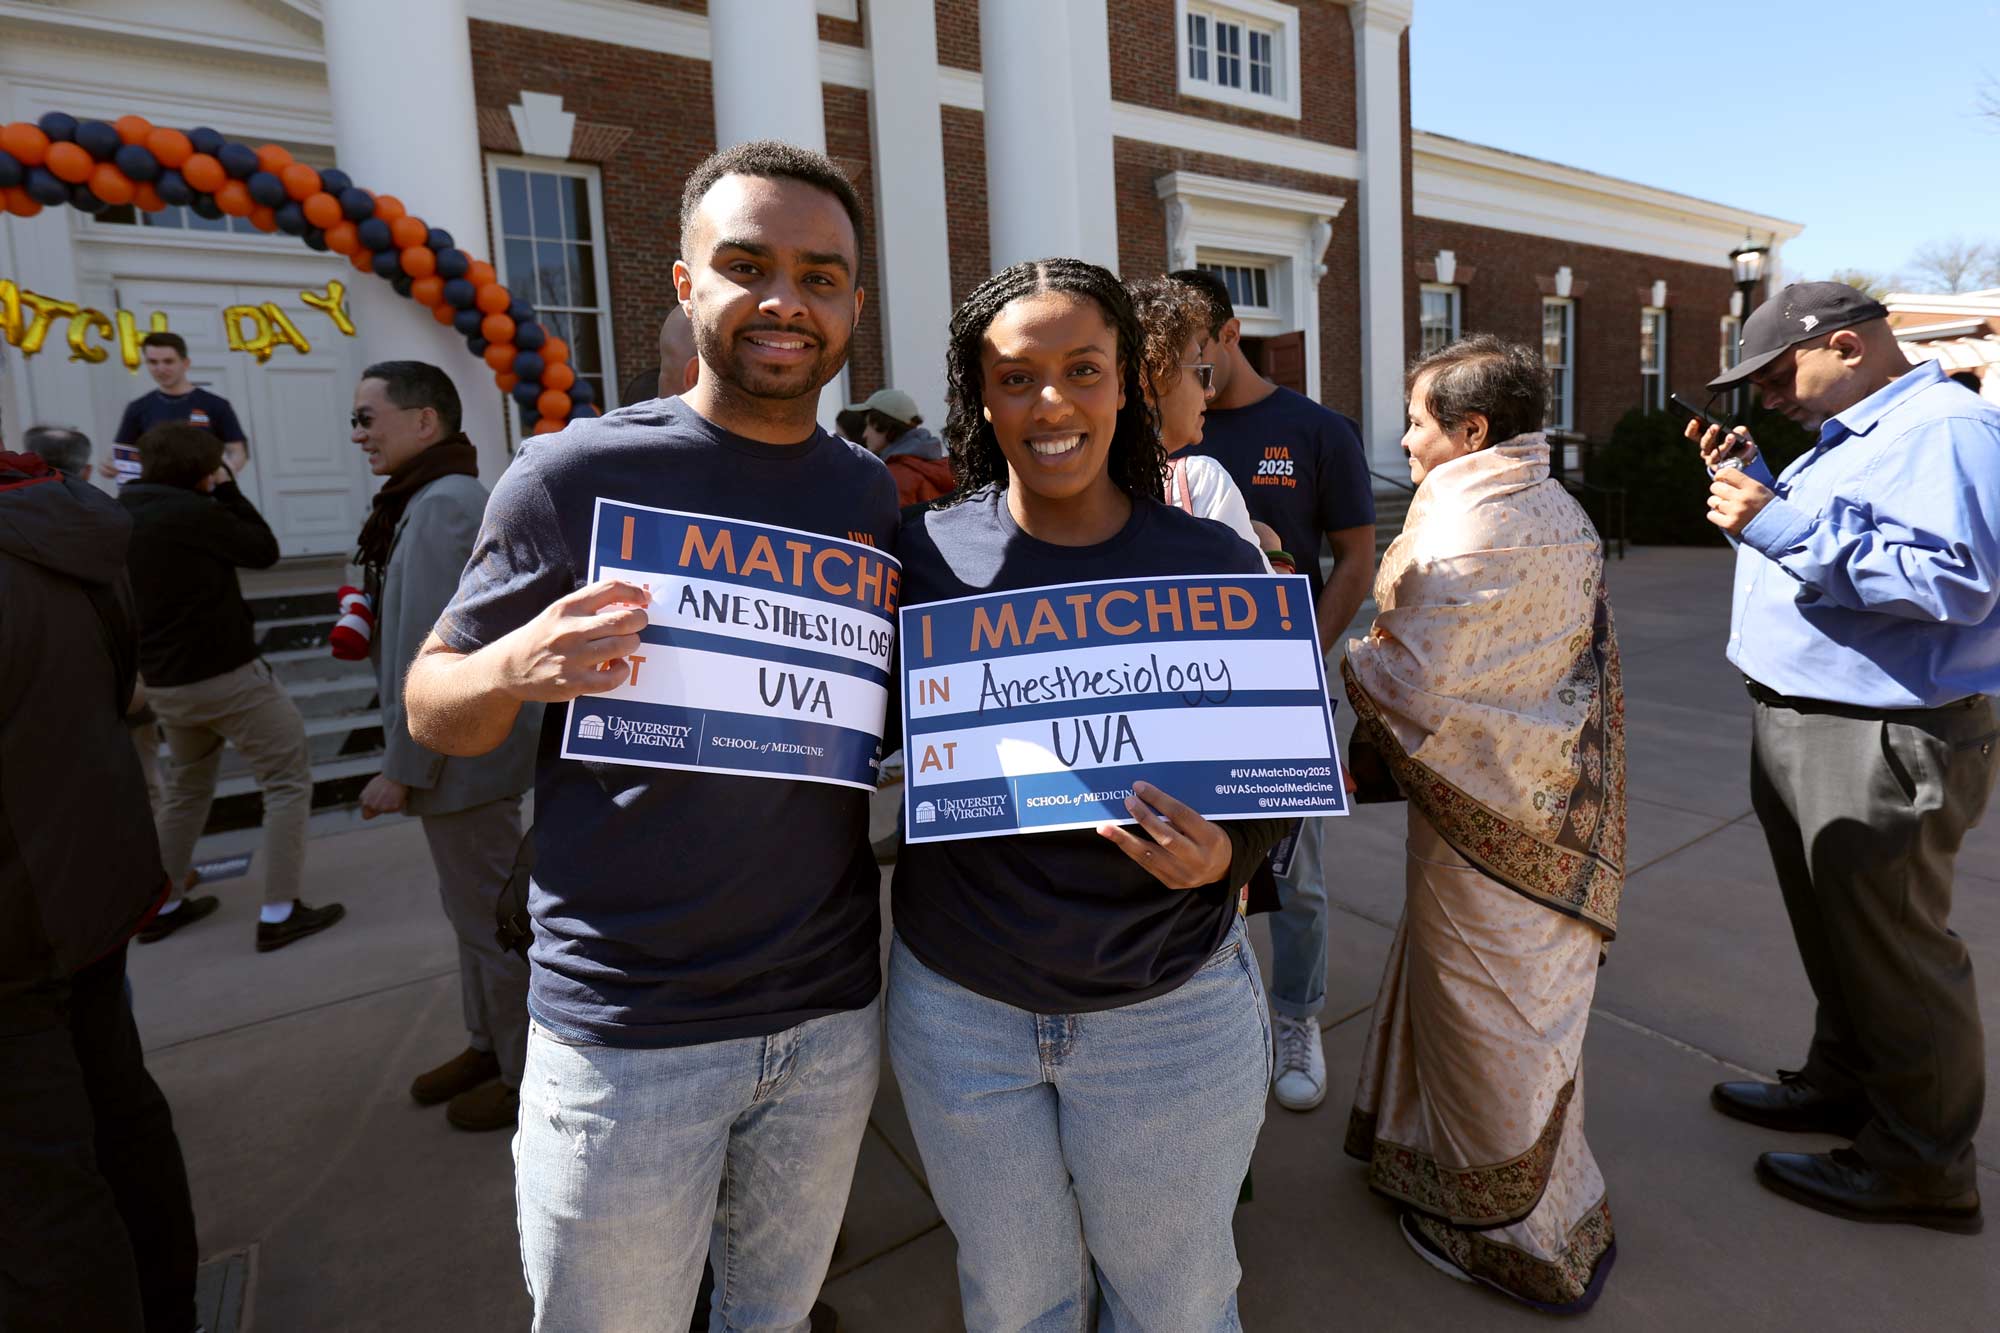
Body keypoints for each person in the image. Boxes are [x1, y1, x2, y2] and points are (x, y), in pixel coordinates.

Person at [402, 140, 887, 1331]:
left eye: (820, 277)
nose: (785, 300)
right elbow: (429, 701)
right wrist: (515, 667)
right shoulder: (573, 472)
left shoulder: (873, 500)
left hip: (825, 1018)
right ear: (685, 286)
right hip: (625, 1031)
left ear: (853, 308)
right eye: (746, 265)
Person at [886, 258, 1290, 1330]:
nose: (1050, 402)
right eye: (1015, 377)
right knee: (1016, 1302)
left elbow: (1274, 774)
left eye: (1081, 370)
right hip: (963, 1009)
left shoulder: (1209, 557)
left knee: (1176, 1304)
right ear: (980, 396)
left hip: (1168, 1007)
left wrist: (1227, 857)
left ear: (1126, 387)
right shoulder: (917, 560)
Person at [1693, 282, 2000, 1234]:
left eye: (1779, 371)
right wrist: (1766, 487)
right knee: (1843, 940)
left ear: (1852, 347)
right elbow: (1855, 543)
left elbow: (1965, 580)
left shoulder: (1947, 428)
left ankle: (1923, 1166)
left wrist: (1776, 523)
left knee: (1898, 953)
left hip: (1879, 734)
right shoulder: (1859, 437)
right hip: (1810, 718)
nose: (1769, 394)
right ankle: (1847, 1086)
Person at [1341, 335, 1623, 1311]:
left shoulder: (1463, 521)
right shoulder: (1557, 507)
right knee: (1523, 1013)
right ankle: (1443, 1166)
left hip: (1482, 827)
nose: (1404, 438)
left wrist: (1345, 660)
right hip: (1550, 812)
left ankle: (1507, 1228)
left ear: (1469, 431)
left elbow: (1413, 679)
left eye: (1418, 421)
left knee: (1483, 1016)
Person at [0, 447, 201, 1332]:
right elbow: (117, 689)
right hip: (90, 881)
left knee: (40, 1185)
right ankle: (170, 1305)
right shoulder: (66, 531)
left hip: (21, 914)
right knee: (119, 1119)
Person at [1169, 267, 1377, 1114]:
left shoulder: (1316, 429)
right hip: (1180, 695)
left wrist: (1294, 662)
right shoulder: (1149, 434)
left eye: (1186, 353)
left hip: (1282, 687)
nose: (1179, 375)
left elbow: (1355, 560)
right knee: (1194, 861)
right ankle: (1215, 1014)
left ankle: (1298, 1016)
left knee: (1300, 871)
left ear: (1225, 335)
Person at [348, 361, 540, 1133]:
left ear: (424, 421)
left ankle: (524, 1074)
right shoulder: (422, 499)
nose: (358, 433)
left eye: (368, 416)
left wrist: (403, 764)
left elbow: (435, 653)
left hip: (462, 758)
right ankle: (486, 1044)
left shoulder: (442, 505)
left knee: (494, 925)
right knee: (471, 918)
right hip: (453, 758)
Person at [120, 424, 344, 951]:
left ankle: (163, 904)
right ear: (202, 470)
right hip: (227, 679)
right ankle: (280, 911)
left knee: (187, 791)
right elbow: (263, 550)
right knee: (287, 781)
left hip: (165, 683)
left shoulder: (118, 511)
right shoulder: (194, 513)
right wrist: (228, 489)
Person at [24, 426, 167, 809]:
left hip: (43, 696)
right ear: (86, 471)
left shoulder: (16, 526)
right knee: (146, 787)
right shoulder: (111, 520)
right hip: (116, 684)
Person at [1126, 275, 1276, 563]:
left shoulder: (1071, 493)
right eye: (1199, 369)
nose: (1209, 390)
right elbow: (1265, 606)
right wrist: (1275, 553)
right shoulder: (1201, 483)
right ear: (1150, 379)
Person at [110, 331, 251, 482]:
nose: (161, 369)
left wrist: (224, 472)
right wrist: (111, 466)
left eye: (168, 361)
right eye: (153, 362)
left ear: (185, 363)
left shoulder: (215, 405)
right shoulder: (138, 408)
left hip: (206, 495)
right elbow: (121, 454)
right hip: (157, 495)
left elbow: (237, 451)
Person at [842, 387, 953, 506]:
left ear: (886, 426)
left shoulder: (894, 477)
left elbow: (888, 524)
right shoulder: (939, 466)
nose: (864, 435)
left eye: (869, 425)